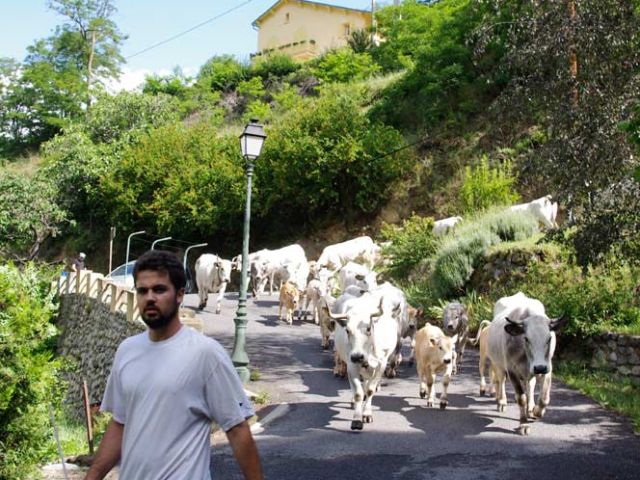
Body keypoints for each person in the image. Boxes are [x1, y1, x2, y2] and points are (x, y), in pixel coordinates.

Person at [84, 250, 263, 480]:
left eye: (159, 289)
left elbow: (237, 429)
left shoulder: (205, 354)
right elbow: (120, 423)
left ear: (180, 295)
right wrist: (92, 476)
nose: (150, 297)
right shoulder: (127, 351)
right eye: (142, 290)